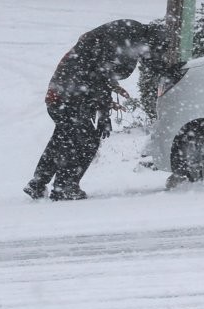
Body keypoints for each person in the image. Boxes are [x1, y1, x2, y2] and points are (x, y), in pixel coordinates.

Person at [24, 19, 173, 201]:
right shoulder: (127, 37)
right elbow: (99, 74)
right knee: (85, 141)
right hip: (71, 94)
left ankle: (38, 183)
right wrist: (103, 114)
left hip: (65, 92)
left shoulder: (131, 36)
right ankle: (64, 186)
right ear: (150, 41)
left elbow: (104, 70)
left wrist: (170, 70)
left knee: (64, 137)